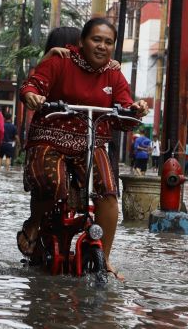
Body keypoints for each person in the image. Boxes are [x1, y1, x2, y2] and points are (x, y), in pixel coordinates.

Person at [17, 17, 149, 280]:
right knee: (52, 181)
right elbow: (32, 85)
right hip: (50, 136)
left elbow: (124, 108)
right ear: (82, 41)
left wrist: (136, 110)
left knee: (109, 192)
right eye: (96, 39)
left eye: (108, 42)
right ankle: (33, 224)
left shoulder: (113, 72)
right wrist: (32, 95)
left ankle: (107, 259)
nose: (101, 46)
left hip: (92, 140)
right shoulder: (60, 60)